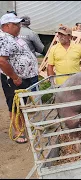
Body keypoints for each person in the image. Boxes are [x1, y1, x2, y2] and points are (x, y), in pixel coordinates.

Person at [0, 13, 39, 144]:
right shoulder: (4, 38)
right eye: (16, 24)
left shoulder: (14, 37)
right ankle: (18, 131)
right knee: (15, 105)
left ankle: (22, 126)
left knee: (21, 105)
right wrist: (15, 77)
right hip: (14, 79)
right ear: (6, 26)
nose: (19, 27)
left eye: (19, 24)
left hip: (23, 78)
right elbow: (2, 61)